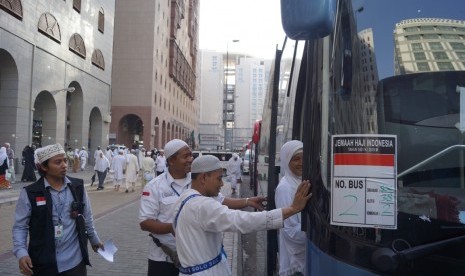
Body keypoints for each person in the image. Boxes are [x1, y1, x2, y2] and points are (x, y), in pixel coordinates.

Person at [139, 139, 266, 276]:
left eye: (191, 155)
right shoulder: (154, 187)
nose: (190, 159)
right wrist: (176, 226)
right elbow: (145, 222)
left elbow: (221, 201)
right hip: (163, 257)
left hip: (194, 258)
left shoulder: (197, 181)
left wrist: (247, 201)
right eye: (185, 156)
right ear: (171, 160)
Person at [173, 155, 312, 275]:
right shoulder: (202, 206)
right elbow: (243, 221)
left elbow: (221, 200)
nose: (222, 183)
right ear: (203, 177)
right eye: (219, 178)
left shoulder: (186, 197)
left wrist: (248, 201)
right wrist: (292, 209)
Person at [12, 143, 104, 276]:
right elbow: (20, 227)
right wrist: (21, 252)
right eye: (58, 162)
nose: (64, 165)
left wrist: (94, 239)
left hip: (75, 262)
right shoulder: (30, 193)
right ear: (44, 167)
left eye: (65, 160)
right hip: (43, 263)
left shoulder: (77, 187)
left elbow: (87, 217)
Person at [275, 140, 306, 276]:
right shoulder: (285, 188)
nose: (301, 163)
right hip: (295, 263)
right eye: (296, 159)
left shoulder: (300, 181)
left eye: (304, 159)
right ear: (287, 160)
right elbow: (290, 232)